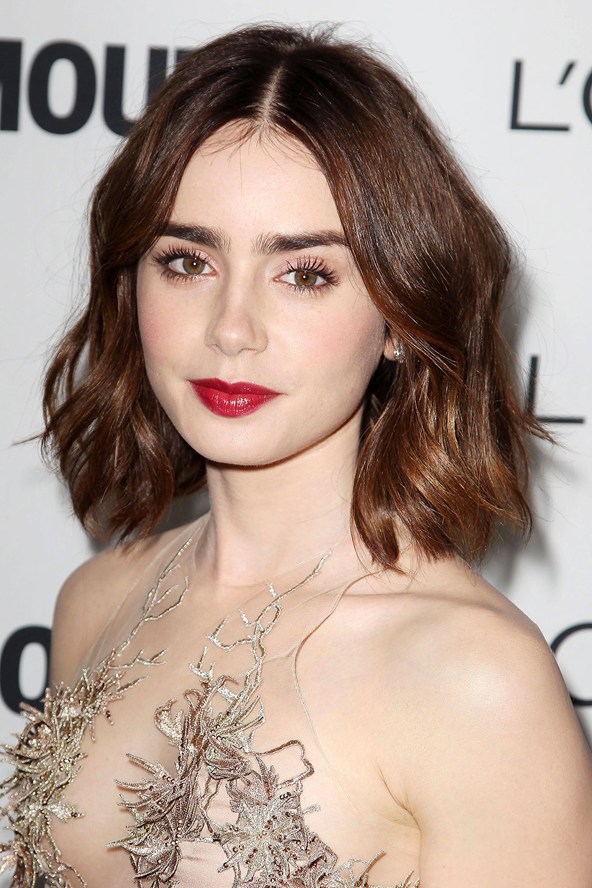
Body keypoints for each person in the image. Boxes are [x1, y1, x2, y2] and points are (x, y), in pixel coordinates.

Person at [1, 21, 591, 888]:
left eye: (305, 273)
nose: (231, 329)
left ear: (398, 317)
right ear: (130, 284)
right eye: (187, 261)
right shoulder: (94, 601)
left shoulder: (475, 679)